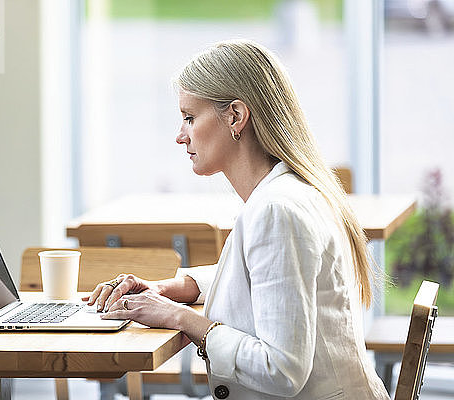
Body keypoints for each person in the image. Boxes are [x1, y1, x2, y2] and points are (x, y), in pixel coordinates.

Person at [83, 40, 390, 400]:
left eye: (190, 118)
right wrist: (175, 287)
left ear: (235, 116)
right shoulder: (289, 192)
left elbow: (282, 370)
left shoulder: (277, 210)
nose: (181, 136)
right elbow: (269, 276)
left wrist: (181, 318)